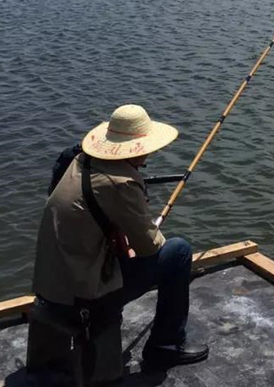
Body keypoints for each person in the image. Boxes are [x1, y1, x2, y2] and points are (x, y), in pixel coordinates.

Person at [32, 104, 209, 367]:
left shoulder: (79, 161)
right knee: (179, 251)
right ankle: (165, 345)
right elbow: (150, 247)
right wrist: (147, 227)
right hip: (83, 300)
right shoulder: (122, 183)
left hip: (50, 288)